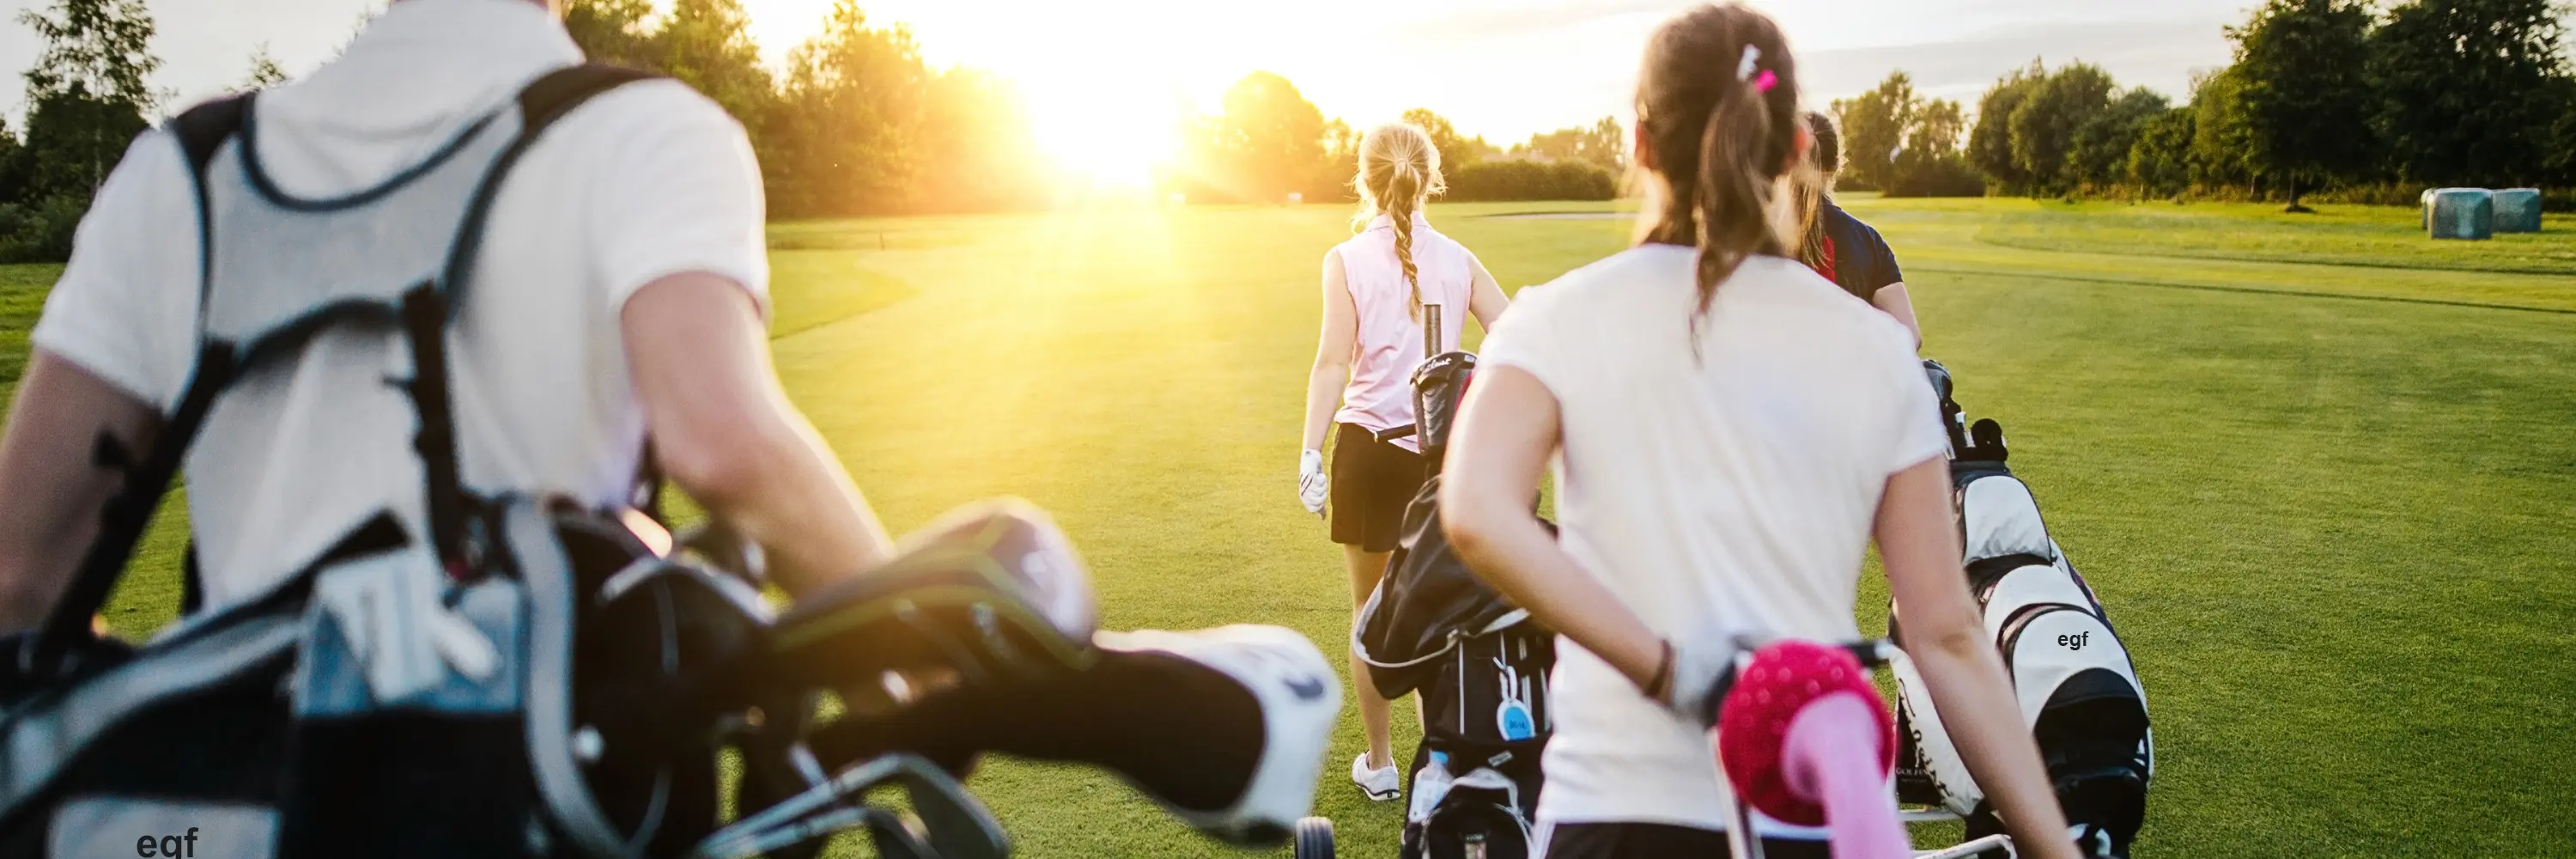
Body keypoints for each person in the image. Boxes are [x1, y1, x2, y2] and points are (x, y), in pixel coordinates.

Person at [0, 0, 1336, 847]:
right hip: (542, 799)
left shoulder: (180, 171)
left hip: (264, 804)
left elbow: (20, 578)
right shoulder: (642, 129)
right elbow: (721, 443)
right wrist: (913, 672)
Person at [1437, 4, 2080, 858]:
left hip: (1611, 816)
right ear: (1796, 151)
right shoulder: (1878, 352)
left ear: (1638, 142)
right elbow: (1946, 633)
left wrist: (1671, 670)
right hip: (1797, 817)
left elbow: (1478, 511)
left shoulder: (1553, 319)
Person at [1296, 122, 1510, 801]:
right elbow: (1511, 336)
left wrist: (1308, 452)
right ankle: (1439, 768)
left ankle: (1382, 766)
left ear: (1364, 177)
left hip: (1367, 455)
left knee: (1371, 610)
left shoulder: (1345, 258)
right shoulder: (1459, 257)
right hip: (1440, 462)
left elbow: (1332, 362)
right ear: (1431, 175)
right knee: (1441, 615)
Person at [1793, 111, 1920, 344]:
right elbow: (1909, 337)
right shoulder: (1867, 241)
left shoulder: (1756, 238)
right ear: (1837, 166)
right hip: (1848, 379)